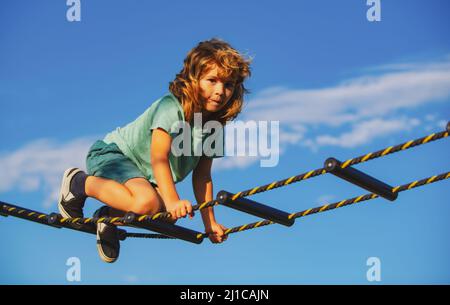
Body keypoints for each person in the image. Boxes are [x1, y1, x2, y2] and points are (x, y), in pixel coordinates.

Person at [57, 38, 252, 263]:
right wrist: (172, 200)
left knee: (166, 218)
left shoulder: (214, 126)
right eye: (212, 80)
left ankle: (108, 218)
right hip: (114, 156)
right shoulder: (172, 107)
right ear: (193, 79)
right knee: (148, 203)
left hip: (145, 177)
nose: (220, 91)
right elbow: (158, 157)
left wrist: (209, 223)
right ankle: (79, 183)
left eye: (228, 85)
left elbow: (203, 176)